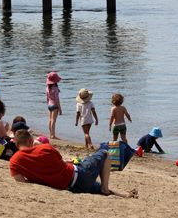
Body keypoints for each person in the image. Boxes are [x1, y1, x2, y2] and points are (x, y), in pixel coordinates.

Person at [9, 129, 137, 197]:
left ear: (17, 144)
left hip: (72, 187)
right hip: (79, 175)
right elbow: (60, 162)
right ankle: (105, 188)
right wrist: (40, 145)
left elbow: (22, 182)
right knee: (105, 153)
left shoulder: (14, 162)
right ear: (30, 141)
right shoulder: (45, 148)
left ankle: (121, 194)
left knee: (96, 187)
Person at [46, 71, 62, 140]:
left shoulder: (47, 88)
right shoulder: (55, 88)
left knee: (50, 120)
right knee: (53, 121)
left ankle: (50, 134)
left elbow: (47, 98)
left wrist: (48, 104)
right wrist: (60, 109)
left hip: (49, 105)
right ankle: (53, 135)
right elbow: (57, 100)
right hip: (54, 105)